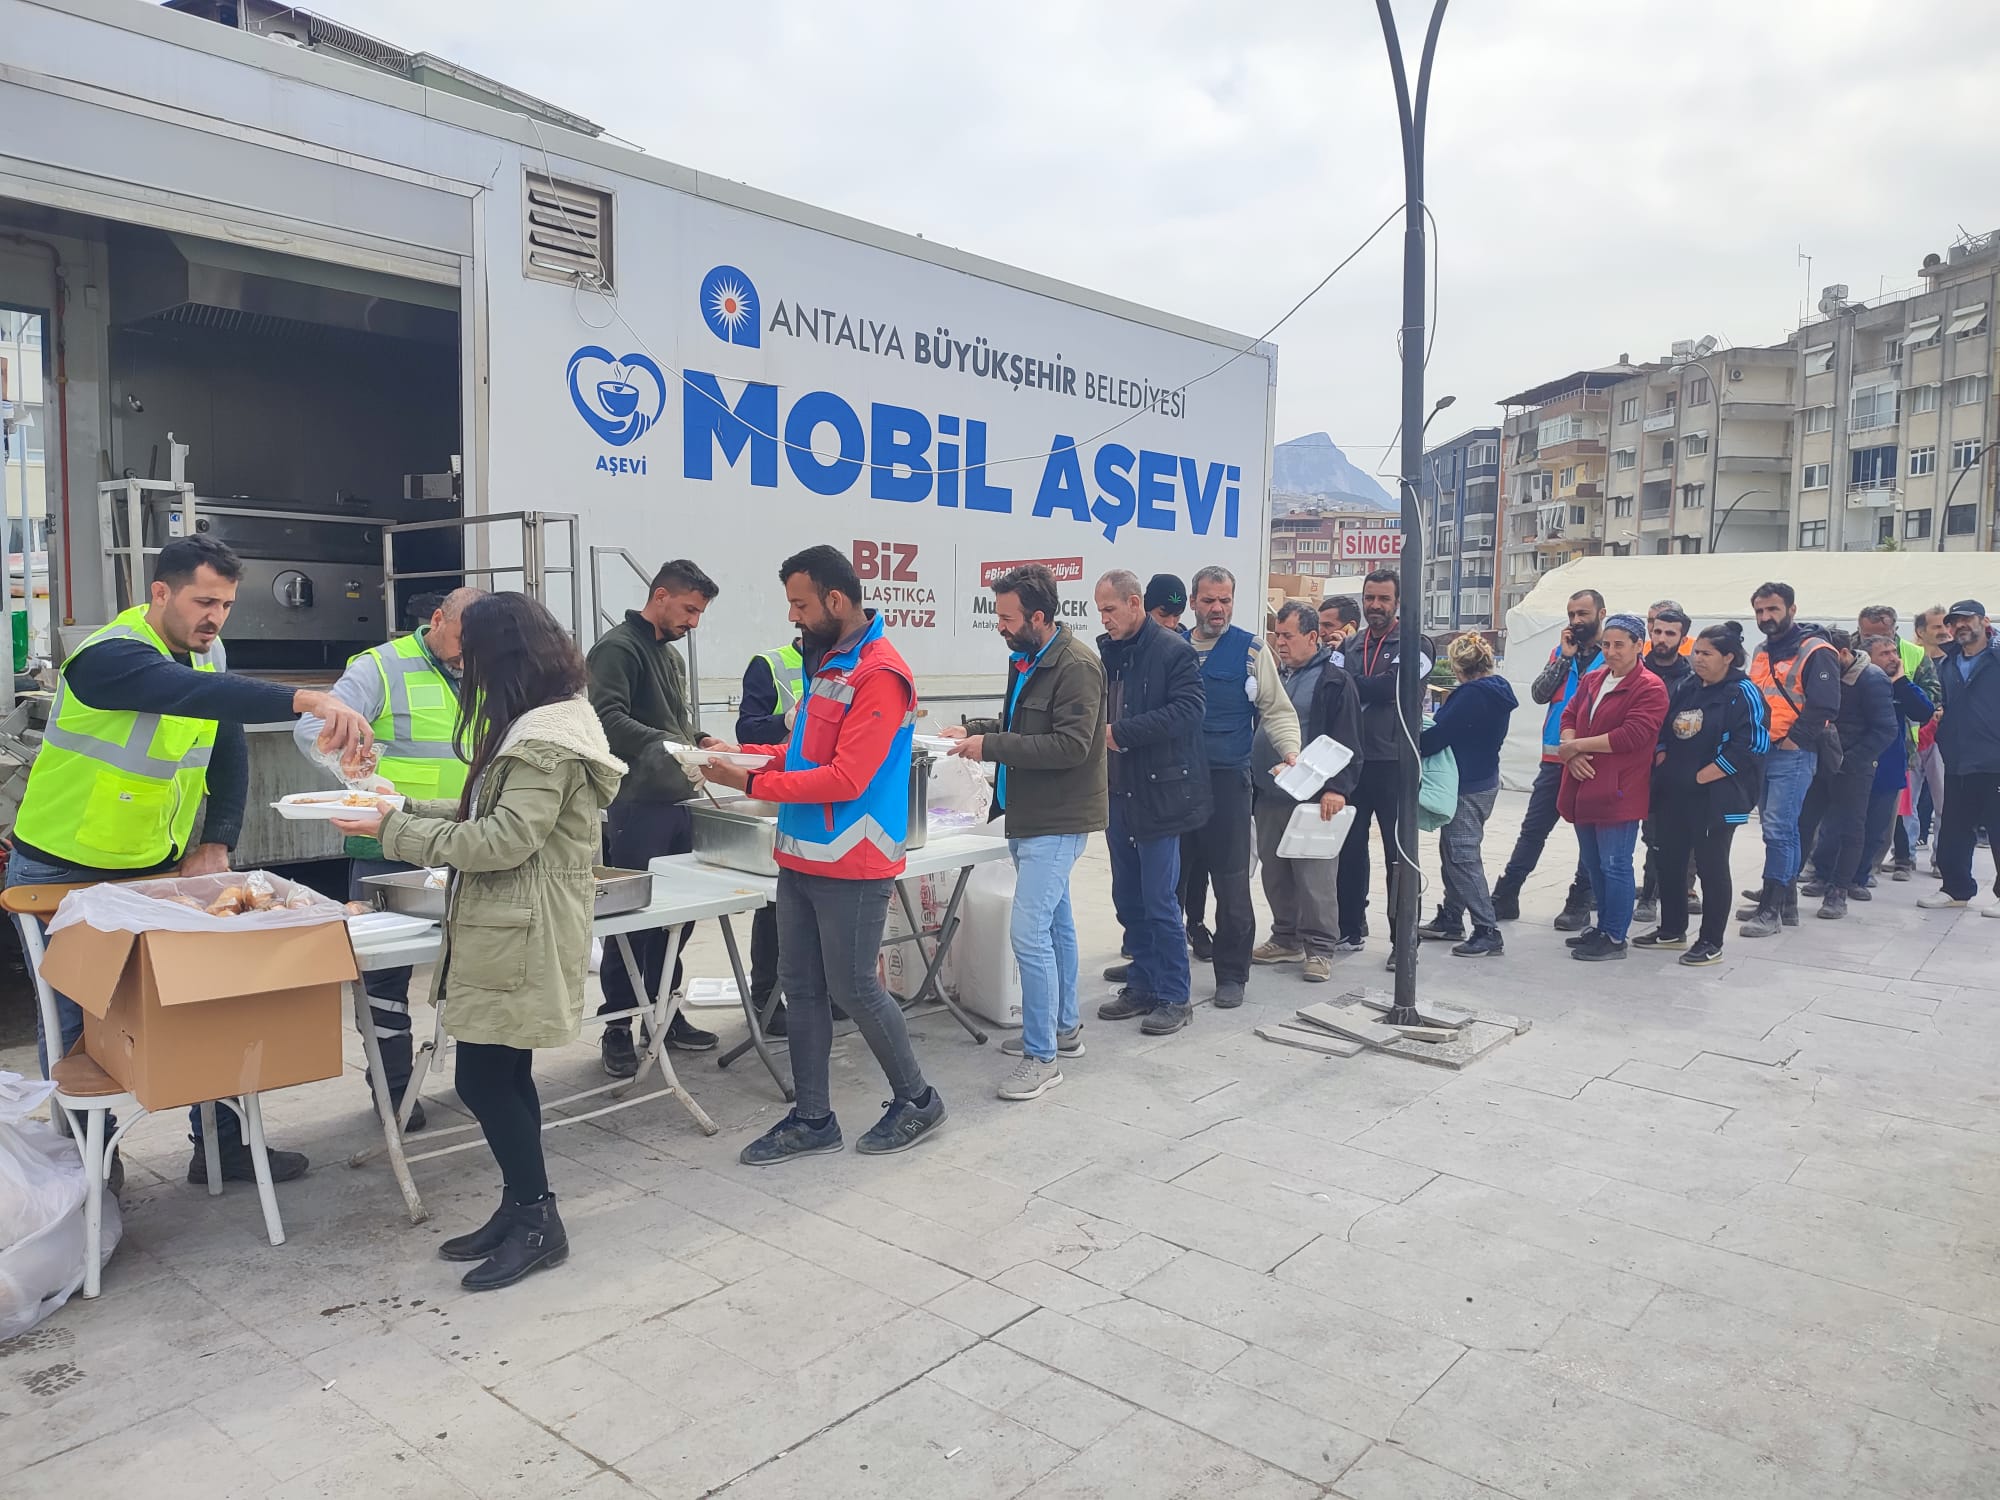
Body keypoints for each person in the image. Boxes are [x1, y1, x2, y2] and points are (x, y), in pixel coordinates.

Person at [8, 535, 374, 1192]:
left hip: (151, 868)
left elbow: (226, 743)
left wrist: (220, 837)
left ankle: (221, 1149)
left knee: (201, 1002)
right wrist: (308, 700)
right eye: (204, 601)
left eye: (227, 604)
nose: (216, 616)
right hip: (57, 875)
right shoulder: (107, 657)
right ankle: (93, 1175)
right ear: (160, 594)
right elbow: (182, 691)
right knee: (70, 1022)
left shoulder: (210, 659)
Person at [333, 595, 621, 1291]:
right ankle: (524, 1206)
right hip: (510, 923)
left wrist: (391, 834)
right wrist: (395, 808)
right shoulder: (548, 720)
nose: (467, 676)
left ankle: (536, 1220)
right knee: (503, 1073)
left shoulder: (544, 739)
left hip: (517, 927)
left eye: (472, 661)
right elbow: (489, 811)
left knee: (481, 1079)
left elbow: (502, 839)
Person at [706, 546, 947, 1161]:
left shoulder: (879, 674)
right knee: (801, 988)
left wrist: (752, 784)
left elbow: (846, 779)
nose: (793, 616)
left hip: (854, 860)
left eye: (800, 603)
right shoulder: (830, 666)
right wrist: (751, 761)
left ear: (835, 601)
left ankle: (917, 1100)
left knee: (853, 987)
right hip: (801, 858)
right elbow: (804, 754)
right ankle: (813, 1118)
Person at [296, 585, 486, 1131]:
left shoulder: (490, 667)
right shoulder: (382, 667)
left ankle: (480, 1079)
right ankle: (394, 1092)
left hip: (464, 841)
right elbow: (312, 725)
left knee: (475, 965)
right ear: (436, 619)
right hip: (387, 844)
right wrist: (351, 771)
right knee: (385, 977)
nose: (468, 655)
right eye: (461, 640)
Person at [943, 564, 1106, 1100]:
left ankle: (1042, 1057)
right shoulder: (1027, 658)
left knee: (1028, 934)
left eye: (1008, 617)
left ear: (1039, 616)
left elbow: (1071, 746)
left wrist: (990, 748)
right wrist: (974, 730)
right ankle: (1063, 1030)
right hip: (1026, 815)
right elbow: (1017, 726)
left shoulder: (1076, 665)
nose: (1001, 626)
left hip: (1058, 820)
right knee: (1056, 927)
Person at [586, 559, 722, 1077]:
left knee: (677, 919)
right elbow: (605, 720)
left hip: (679, 802)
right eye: (690, 609)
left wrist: (702, 741)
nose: (694, 622)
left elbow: (677, 720)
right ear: (660, 595)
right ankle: (618, 1025)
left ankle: (663, 1013)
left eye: (700, 613)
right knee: (630, 920)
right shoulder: (617, 648)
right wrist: (673, 746)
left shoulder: (670, 657)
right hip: (637, 805)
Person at [1092, 569, 1209, 1035]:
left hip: (1160, 793)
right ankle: (1140, 983)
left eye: (1110, 609)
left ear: (1135, 603)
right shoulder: (1105, 652)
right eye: (1099, 610)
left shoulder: (1172, 651)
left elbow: (1188, 711)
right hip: (1115, 794)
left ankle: (1175, 996)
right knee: (1128, 897)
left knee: (1160, 899)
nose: (1104, 619)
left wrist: (1120, 735)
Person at [1182, 565, 1299, 1009]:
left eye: (1225, 600)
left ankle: (1232, 975)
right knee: (1169, 883)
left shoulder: (1251, 650)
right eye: (1209, 600)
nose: (1217, 609)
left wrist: (1290, 751)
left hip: (1228, 783)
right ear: (1193, 602)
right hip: (1175, 784)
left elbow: (1278, 710)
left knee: (1231, 884)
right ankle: (1161, 966)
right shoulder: (1172, 647)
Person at [1633, 623, 1768, 965]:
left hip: (1717, 796)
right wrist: (1664, 757)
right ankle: (1672, 930)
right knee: (1670, 862)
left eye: (1707, 654)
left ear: (1729, 657)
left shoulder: (1743, 692)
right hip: (1674, 793)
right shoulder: (1687, 686)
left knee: (1711, 867)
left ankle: (1711, 941)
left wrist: (1703, 776)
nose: (1698, 659)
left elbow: (1752, 745)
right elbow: (1664, 727)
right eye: (1696, 652)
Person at [1251, 601, 1359, 982]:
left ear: (1312, 637)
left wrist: (1337, 788)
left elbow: (1346, 739)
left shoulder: (1334, 680)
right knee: (1275, 872)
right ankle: (1285, 937)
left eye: (1288, 636)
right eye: (1277, 636)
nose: (1280, 643)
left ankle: (1319, 948)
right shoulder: (1275, 675)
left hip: (1314, 798)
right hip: (1270, 794)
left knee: (1314, 878)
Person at [1555, 615, 1669, 961]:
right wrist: (1571, 748)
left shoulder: (1649, 687)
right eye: (1606, 644)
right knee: (1593, 863)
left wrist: (1576, 747)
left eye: (1620, 645)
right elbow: (1569, 715)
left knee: (1616, 863)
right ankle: (1603, 926)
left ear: (1639, 646)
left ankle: (1615, 935)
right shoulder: (1593, 679)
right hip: (1585, 781)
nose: (1611, 651)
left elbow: (1633, 735)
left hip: (1619, 788)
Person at [1492, 589, 1604, 927]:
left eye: (1583, 614)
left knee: (1589, 833)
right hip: (1554, 760)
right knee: (1533, 830)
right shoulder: (1560, 652)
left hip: (1592, 760)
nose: (1576, 621)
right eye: (1571, 615)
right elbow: (1540, 693)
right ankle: (1507, 893)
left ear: (1600, 614)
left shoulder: (1612, 655)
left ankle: (1581, 899)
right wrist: (1564, 659)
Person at [1337, 568, 1434, 954]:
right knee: (1349, 850)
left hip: (1395, 762)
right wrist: (1357, 683)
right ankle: (1349, 927)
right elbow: (1338, 687)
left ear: (1398, 603)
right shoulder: (1351, 646)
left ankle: (1404, 941)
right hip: (1354, 763)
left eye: (1384, 599)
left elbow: (1396, 687)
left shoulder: (1417, 645)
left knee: (1400, 855)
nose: (1375, 605)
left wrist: (1352, 682)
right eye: (1370, 598)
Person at [1738, 582, 1842, 939]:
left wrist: (1794, 743)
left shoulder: (1816, 650)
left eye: (1773, 610)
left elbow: (1826, 705)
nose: (1765, 617)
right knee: (1779, 830)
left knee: (1780, 831)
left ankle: (1771, 910)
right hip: (1764, 750)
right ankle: (1786, 904)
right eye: (1760, 611)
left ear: (1792, 610)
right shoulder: (1762, 650)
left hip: (1792, 753)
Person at [734, 633, 824, 1039]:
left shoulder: (853, 668)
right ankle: (767, 995)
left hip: (829, 798)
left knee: (826, 899)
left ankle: (832, 992)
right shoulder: (771, 665)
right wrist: (787, 721)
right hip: (781, 794)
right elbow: (747, 733)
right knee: (777, 900)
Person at [1415, 633, 1517, 958]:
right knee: (1454, 850)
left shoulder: (1470, 696)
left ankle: (1487, 929)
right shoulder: (1499, 690)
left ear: (1459, 667)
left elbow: (1436, 738)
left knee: (1461, 855)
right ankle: (1451, 917)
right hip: (1485, 779)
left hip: (1465, 784)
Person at [1796, 629, 1896, 920]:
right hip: (1819, 762)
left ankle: (1839, 891)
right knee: (1802, 826)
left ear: (1840, 653)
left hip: (1853, 766)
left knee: (1851, 828)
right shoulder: (1822, 673)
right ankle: (1783, 887)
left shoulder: (1872, 678)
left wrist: (1851, 760)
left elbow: (1886, 729)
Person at [1918, 601, 2000, 913]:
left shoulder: (1996, 657)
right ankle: (1955, 889)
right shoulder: (1949, 661)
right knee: (1954, 826)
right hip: (1958, 757)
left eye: (1968, 619)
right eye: (1956, 622)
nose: (1961, 626)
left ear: (1984, 621)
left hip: (1995, 759)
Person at [1851, 635, 1934, 895]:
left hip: (1890, 767)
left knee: (1877, 829)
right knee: (1848, 826)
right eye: (1884, 654)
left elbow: (1924, 711)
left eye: (1893, 652)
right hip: (1857, 766)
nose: (1893, 658)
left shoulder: (1901, 685)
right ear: (1868, 659)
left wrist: (1900, 681)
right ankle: (1830, 876)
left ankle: (1860, 877)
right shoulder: (1855, 683)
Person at [1634, 607, 1694, 927]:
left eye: (1670, 633)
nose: (1661, 639)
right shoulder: (1634, 670)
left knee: (1661, 835)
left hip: (1668, 767)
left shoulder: (1690, 679)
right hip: (1631, 763)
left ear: (1682, 638)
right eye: (1657, 631)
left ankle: (1651, 897)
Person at [1910, 606, 1952, 860]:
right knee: (1906, 803)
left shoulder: (1957, 660)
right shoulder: (1910, 658)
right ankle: (1906, 854)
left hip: (1943, 739)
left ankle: (1942, 858)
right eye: (1937, 627)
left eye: (1946, 626)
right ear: (1920, 631)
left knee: (1945, 803)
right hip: (1914, 737)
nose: (1944, 632)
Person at [1318, 596, 1362, 663]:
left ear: (1351, 627)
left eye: (1327, 625)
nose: (1321, 633)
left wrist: (1345, 654)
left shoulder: (1365, 657)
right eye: (1320, 625)